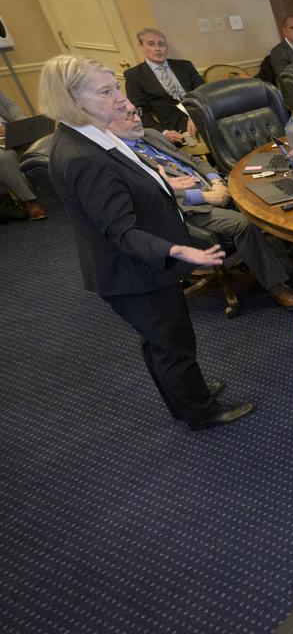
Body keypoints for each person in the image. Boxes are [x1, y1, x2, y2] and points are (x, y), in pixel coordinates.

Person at [41, 55, 254, 429]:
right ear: (73, 100)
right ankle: (200, 412)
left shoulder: (91, 133)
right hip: (134, 272)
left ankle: (185, 396)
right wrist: (176, 249)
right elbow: (120, 231)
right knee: (173, 345)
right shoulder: (83, 157)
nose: (120, 99)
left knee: (160, 341)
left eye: (116, 88)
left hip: (138, 265)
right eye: (106, 92)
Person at [107, 107, 293, 310]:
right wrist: (205, 196)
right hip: (188, 209)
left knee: (267, 196)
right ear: (108, 124)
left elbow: (192, 160)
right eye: (128, 116)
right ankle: (277, 287)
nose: (137, 119)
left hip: (213, 188)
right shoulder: (120, 159)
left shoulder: (150, 135)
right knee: (243, 224)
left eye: (136, 113)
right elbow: (153, 195)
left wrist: (216, 182)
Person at [123, 28, 203, 144]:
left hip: (201, 115)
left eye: (161, 44)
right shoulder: (134, 76)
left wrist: (195, 117)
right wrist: (163, 132)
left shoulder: (185, 66)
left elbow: (203, 92)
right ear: (141, 46)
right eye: (151, 44)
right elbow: (140, 112)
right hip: (174, 128)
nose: (158, 49)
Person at [0, 88, 46, 221]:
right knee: (5, 156)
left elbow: (10, 105)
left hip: (9, 130)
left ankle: (64, 185)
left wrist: (21, 122)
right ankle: (29, 201)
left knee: (45, 139)